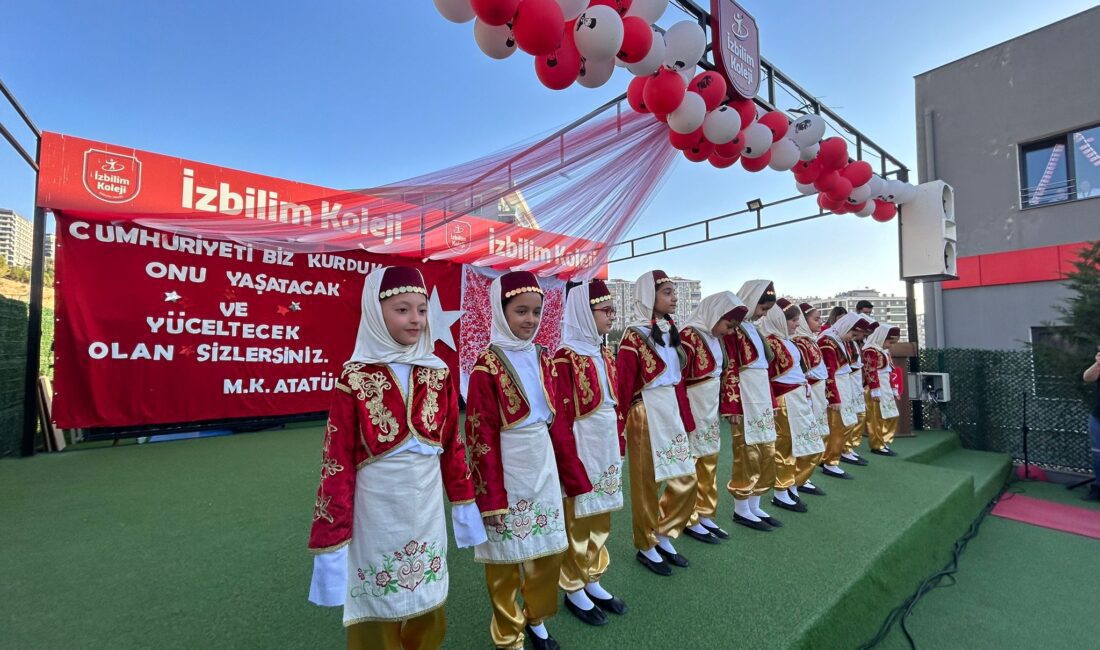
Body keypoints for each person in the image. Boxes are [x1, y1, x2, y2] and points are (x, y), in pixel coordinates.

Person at [307, 266, 485, 650]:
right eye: (402, 310)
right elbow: (335, 461)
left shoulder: (438, 372)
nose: (416, 320)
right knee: (377, 602)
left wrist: (464, 504)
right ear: (375, 310)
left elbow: (453, 444)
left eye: (422, 310)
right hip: (376, 513)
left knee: (427, 597)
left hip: (426, 509)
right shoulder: (353, 377)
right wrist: (332, 538)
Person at [465, 271, 591, 650]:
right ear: (500, 312)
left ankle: (536, 620)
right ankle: (507, 634)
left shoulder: (543, 357)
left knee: (547, 551)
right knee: (504, 560)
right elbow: (479, 437)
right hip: (506, 467)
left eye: (536, 312)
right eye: (520, 311)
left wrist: (573, 474)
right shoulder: (485, 367)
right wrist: (491, 499)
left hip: (543, 465)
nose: (530, 320)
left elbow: (559, 422)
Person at [551, 280, 628, 626]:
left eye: (613, 310)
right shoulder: (564, 358)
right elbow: (562, 416)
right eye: (605, 310)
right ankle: (572, 584)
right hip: (583, 445)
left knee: (603, 512)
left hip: (607, 443)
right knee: (578, 516)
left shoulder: (604, 352)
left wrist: (621, 441)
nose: (612, 316)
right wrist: (569, 462)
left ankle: (593, 574)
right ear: (584, 312)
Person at [617, 270, 698, 576]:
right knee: (645, 483)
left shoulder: (670, 330)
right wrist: (619, 428)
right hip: (644, 410)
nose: (674, 297)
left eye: (674, 292)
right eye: (667, 292)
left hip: (670, 408)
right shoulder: (632, 336)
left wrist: (685, 417)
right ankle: (646, 544)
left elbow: (679, 381)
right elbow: (623, 385)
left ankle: (664, 532)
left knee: (685, 477)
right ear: (649, 296)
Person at [662, 291, 748, 544]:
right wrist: (682, 415)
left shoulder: (715, 339)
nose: (729, 331)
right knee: (688, 466)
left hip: (709, 409)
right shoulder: (689, 336)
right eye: (727, 324)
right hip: (692, 406)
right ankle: (683, 518)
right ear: (714, 314)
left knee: (708, 461)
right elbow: (679, 379)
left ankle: (703, 513)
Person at [722, 280, 780, 531]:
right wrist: (732, 404)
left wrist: (772, 399)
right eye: (762, 307)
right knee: (747, 451)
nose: (763, 313)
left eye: (767, 309)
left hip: (762, 396)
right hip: (745, 396)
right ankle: (741, 507)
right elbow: (731, 367)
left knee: (767, 448)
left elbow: (764, 368)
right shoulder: (733, 331)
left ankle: (756, 502)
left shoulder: (756, 331)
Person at [760, 302, 824, 514]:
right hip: (784, 398)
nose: (797, 324)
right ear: (779, 319)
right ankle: (781, 490)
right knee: (786, 445)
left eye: (798, 320)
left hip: (798, 396)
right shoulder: (770, 341)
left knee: (808, 444)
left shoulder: (786, 341)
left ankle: (792, 484)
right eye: (793, 320)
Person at [816, 313, 874, 479]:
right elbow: (829, 372)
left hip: (843, 385)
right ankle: (830, 461)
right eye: (853, 334)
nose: (853, 338)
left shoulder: (839, 341)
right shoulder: (828, 342)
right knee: (837, 424)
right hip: (837, 387)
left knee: (843, 423)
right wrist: (833, 397)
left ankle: (833, 457)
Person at [790, 302, 829, 497]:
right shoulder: (798, 342)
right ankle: (795, 478)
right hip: (808, 392)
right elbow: (803, 372)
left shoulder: (810, 340)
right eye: (816, 319)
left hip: (817, 391)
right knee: (805, 436)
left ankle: (803, 476)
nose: (820, 322)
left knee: (816, 436)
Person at [841, 315, 877, 467]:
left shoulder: (854, 343)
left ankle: (850, 446)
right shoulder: (844, 342)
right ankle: (844, 448)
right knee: (849, 416)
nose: (862, 336)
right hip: (847, 381)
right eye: (861, 333)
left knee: (858, 415)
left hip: (855, 381)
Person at [863, 326, 902, 456]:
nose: (890, 346)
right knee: (876, 417)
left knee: (890, 414)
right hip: (875, 387)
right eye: (890, 342)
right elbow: (870, 370)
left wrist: (893, 388)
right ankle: (876, 444)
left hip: (885, 387)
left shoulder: (883, 351)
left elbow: (890, 370)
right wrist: (874, 389)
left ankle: (882, 440)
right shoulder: (870, 350)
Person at [1083, 351, 1100, 501]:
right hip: (1098, 417)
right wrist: (1098, 363)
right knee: (1098, 456)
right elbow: (1087, 377)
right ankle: (1098, 488)